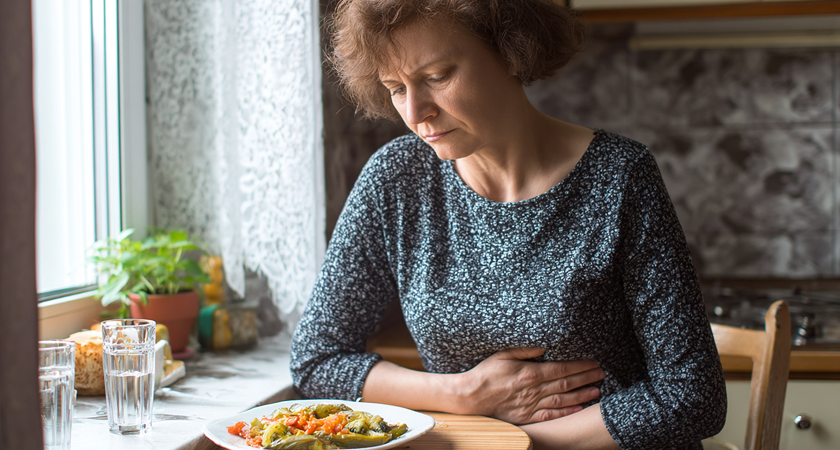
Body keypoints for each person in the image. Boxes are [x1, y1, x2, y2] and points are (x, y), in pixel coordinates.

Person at [291, 1, 727, 449]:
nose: (417, 112)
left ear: (511, 50)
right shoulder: (396, 179)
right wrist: (465, 394)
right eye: (395, 88)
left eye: (437, 76)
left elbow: (693, 396)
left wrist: (517, 444)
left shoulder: (620, 175)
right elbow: (317, 360)